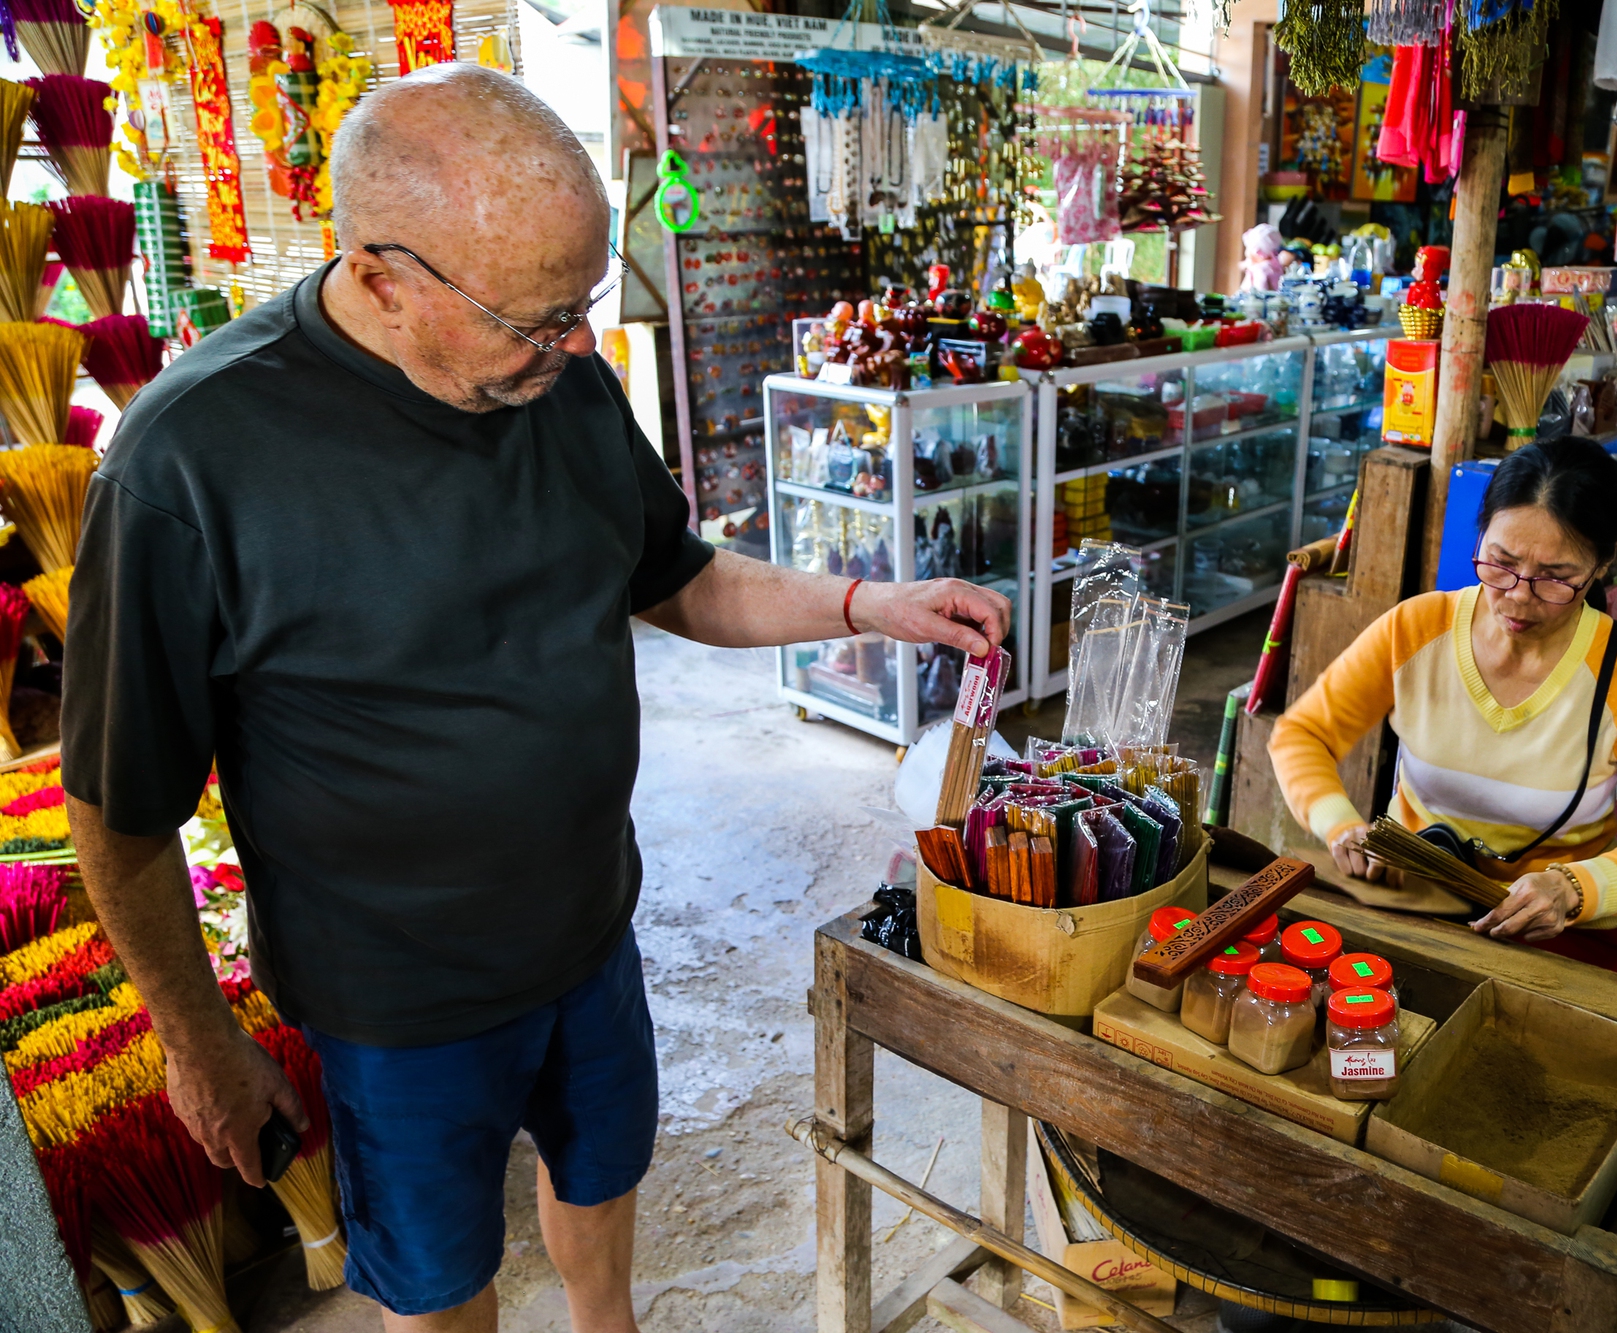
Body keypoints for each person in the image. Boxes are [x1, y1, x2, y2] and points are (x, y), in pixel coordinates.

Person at [60, 66, 1010, 1333]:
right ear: (382, 273)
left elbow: (678, 580)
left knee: (603, 1176)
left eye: (585, 304)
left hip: (588, 932)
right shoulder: (192, 461)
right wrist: (197, 1043)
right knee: (444, 1281)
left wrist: (862, 606)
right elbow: (119, 817)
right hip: (396, 997)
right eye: (537, 316)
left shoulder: (558, 383)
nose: (573, 344)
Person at [1268, 436, 1617, 969]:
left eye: (1556, 578)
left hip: (1552, 930)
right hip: (1411, 898)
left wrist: (1573, 887)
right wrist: (1340, 825)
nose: (1518, 596)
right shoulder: (1417, 629)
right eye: (1501, 562)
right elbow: (1301, 734)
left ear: (1601, 565)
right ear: (1482, 536)